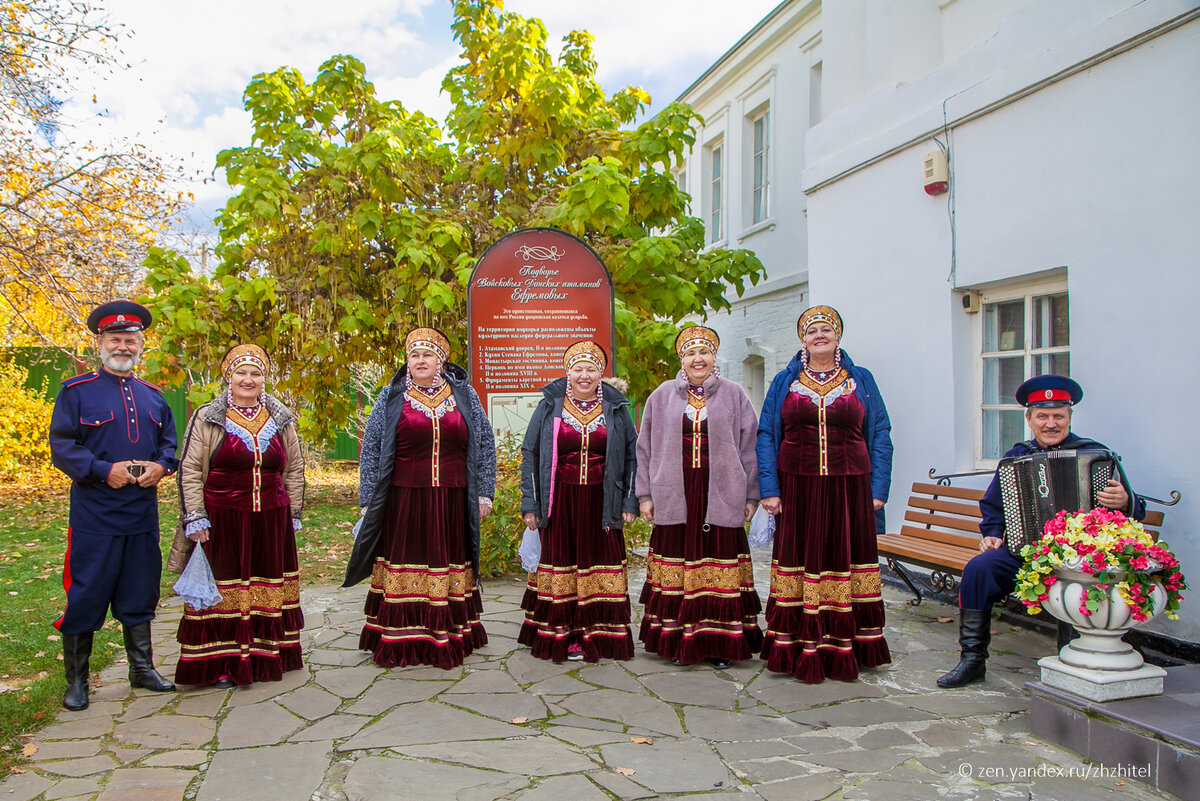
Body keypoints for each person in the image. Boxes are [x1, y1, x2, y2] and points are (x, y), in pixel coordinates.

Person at [937, 375, 1144, 688]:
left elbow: (1133, 511)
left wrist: (1125, 500)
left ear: (1069, 417)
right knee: (979, 569)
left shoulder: (1096, 456)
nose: (1051, 423)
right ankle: (972, 660)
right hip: (1027, 552)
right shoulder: (1016, 457)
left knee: (1079, 578)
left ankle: (1072, 662)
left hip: (1080, 557)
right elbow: (993, 505)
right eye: (1043, 416)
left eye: (1058, 415)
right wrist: (992, 533)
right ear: (1029, 419)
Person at [47, 300, 178, 710]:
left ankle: (141, 669)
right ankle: (78, 682)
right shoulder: (76, 393)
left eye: (131, 340)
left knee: (140, 591)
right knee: (86, 595)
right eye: (115, 339)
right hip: (95, 516)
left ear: (141, 346)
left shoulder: (153, 397)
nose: (123, 346)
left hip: (141, 514)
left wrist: (162, 467)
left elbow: (170, 444)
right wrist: (105, 471)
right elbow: (62, 447)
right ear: (100, 343)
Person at [343, 328, 496, 669]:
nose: (420, 361)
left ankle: (450, 631)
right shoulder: (391, 396)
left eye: (427, 355)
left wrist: (484, 491)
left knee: (449, 562)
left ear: (440, 361)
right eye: (414, 356)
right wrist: (368, 499)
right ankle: (403, 635)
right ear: (408, 362)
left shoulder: (464, 395)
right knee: (406, 561)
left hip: (452, 500)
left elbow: (485, 442)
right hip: (404, 500)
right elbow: (372, 448)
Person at [756, 305, 893, 683]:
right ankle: (796, 645)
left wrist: (878, 489)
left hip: (851, 487)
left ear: (838, 337)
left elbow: (880, 432)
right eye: (811, 330)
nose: (819, 335)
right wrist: (770, 488)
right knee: (799, 560)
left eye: (826, 329)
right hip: (797, 486)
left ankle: (848, 646)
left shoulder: (860, 379)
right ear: (803, 339)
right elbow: (766, 433)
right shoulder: (786, 380)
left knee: (844, 560)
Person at [173, 344, 306, 687]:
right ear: (228, 378)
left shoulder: (280, 416)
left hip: (271, 519)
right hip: (223, 520)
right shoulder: (207, 417)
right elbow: (188, 469)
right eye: (241, 373)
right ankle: (221, 663)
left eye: (256, 373)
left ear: (265, 379)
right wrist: (195, 516)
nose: (248, 380)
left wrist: (293, 509)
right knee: (226, 592)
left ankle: (267, 656)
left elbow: (294, 467)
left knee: (267, 588)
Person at [636, 325, 762, 667]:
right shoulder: (661, 396)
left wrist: (751, 495)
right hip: (674, 492)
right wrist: (645, 494)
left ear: (713, 357)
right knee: (677, 562)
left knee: (716, 566)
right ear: (682, 359)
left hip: (722, 493)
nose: (697, 359)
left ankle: (718, 643)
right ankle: (676, 640)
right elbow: (644, 448)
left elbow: (750, 448)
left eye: (704, 352)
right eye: (690, 353)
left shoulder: (734, 394)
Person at [519, 340, 638, 662]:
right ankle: (565, 634)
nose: (584, 375)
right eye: (578, 369)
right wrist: (530, 503)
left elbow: (631, 457)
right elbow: (530, 453)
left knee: (600, 566)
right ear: (567, 372)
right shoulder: (549, 407)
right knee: (563, 567)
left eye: (591, 369)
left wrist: (629, 503)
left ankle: (601, 635)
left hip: (603, 503)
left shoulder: (616, 409)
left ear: (601, 374)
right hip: (559, 503)